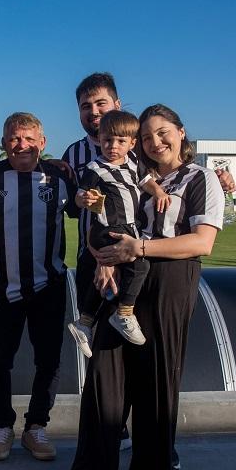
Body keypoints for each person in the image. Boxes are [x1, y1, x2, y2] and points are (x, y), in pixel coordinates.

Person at [62, 103, 224, 470]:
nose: (156, 141)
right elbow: (103, 220)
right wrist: (104, 256)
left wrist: (140, 249)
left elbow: (203, 243)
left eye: (163, 132)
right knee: (105, 370)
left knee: (156, 376)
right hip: (125, 273)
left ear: (181, 133)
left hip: (169, 278)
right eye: (148, 136)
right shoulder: (135, 176)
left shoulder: (200, 178)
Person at [0, 113, 78, 462]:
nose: (22, 145)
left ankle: (36, 426)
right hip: (2, 287)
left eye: (29, 138)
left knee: (48, 360)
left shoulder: (61, 176)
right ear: (4, 143)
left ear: (42, 143)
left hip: (48, 285)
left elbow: (96, 201)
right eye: (14, 138)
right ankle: (2, 425)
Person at [69, 110, 170, 349]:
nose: (112, 146)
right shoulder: (95, 167)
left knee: (108, 281)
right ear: (100, 140)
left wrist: (159, 192)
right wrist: (83, 199)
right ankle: (124, 313)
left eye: (120, 141)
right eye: (107, 140)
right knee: (140, 265)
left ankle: (85, 322)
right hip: (106, 229)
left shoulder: (134, 162)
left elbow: (147, 182)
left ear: (131, 143)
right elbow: (80, 194)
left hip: (128, 228)